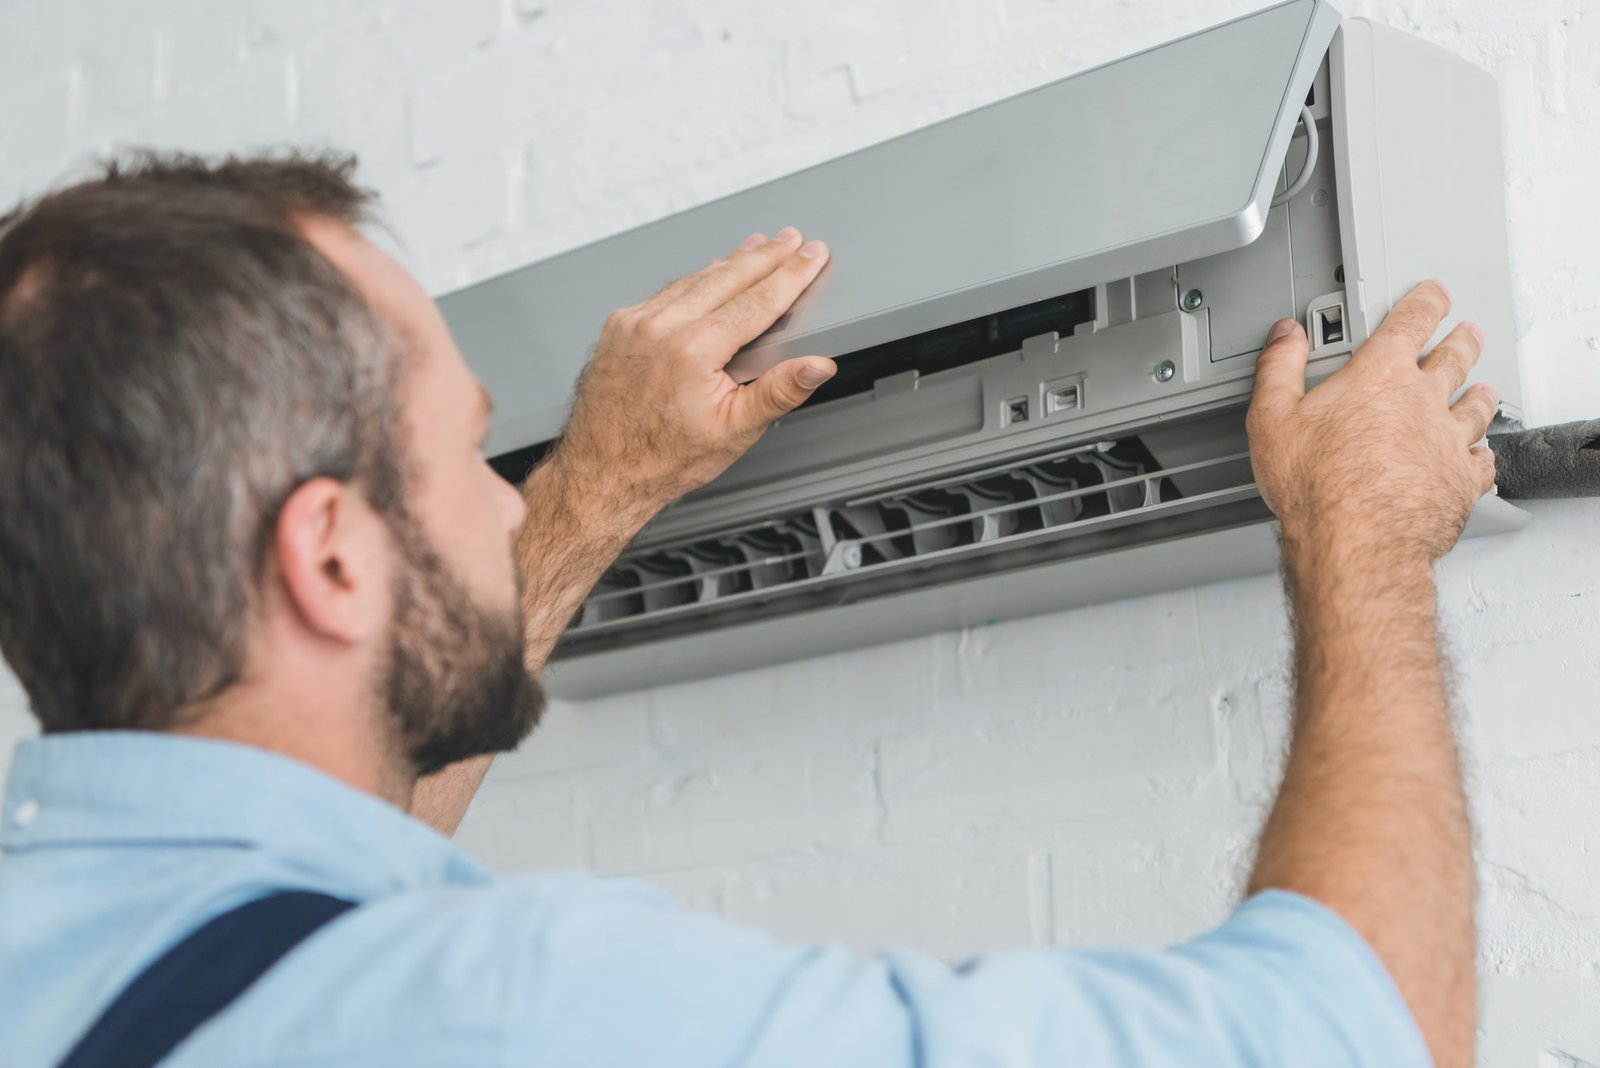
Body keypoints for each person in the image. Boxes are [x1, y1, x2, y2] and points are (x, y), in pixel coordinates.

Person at [0, 152, 1498, 1068]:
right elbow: (1355, 1041)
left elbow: (298, 877)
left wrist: (598, 486)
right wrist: (1362, 531)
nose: (509, 500)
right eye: (468, 451)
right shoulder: (512, 1012)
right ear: (330, 562)